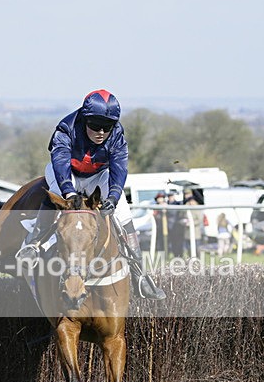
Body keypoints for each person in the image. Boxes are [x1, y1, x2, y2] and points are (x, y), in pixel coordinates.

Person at [17, 89, 165, 300]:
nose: (101, 132)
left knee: (123, 210)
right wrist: (68, 191)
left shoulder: (117, 135)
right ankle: (33, 244)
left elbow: (119, 169)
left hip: (98, 175)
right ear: (85, 119)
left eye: (107, 126)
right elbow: (60, 162)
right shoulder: (66, 128)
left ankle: (140, 275)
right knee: (57, 194)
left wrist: (113, 198)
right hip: (67, 173)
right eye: (95, 125)